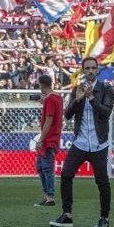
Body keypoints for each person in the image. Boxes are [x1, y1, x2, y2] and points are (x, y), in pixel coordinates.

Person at [50, 57, 114, 227]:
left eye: (93, 68)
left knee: (102, 182)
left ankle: (104, 217)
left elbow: (106, 113)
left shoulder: (106, 89)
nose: (91, 71)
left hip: (99, 143)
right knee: (66, 175)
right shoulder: (76, 89)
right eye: (87, 68)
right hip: (80, 142)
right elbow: (68, 115)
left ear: (97, 69)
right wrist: (78, 99)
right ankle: (67, 215)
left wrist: (92, 98)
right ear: (83, 70)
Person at [35, 74, 63, 207]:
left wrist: (41, 138)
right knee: (40, 167)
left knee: (46, 168)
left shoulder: (50, 100)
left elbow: (49, 119)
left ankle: (50, 196)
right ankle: (47, 195)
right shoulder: (57, 97)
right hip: (53, 137)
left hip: (49, 139)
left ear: (41, 84)